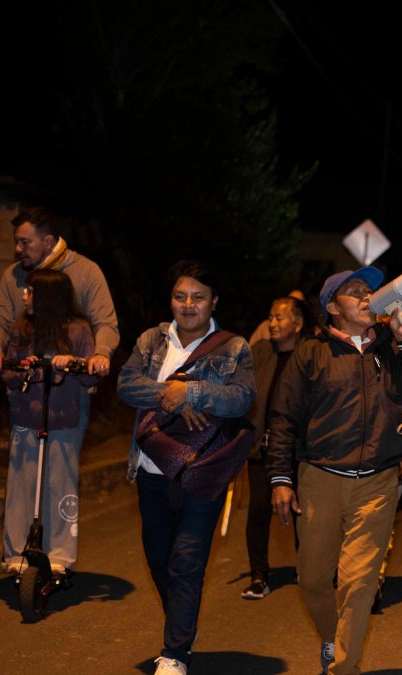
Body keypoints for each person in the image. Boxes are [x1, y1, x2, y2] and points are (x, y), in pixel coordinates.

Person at [267, 266, 402, 675]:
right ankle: (331, 638)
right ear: (332, 307)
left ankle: (344, 667)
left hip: (377, 483)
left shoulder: (390, 349)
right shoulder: (311, 352)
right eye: (355, 290)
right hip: (320, 479)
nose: (366, 296)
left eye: (370, 290)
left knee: (359, 583)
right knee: (312, 580)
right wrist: (280, 477)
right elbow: (284, 417)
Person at [117, 261, 256, 675]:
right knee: (159, 560)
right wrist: (173, 395)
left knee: (187, 561)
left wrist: (193, 393)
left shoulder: (234, 347)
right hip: (151, 468)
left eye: (198, 297)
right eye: (180, 296)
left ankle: (175, 652)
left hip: (203, 472)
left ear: (214, 302)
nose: (188, 304)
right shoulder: (151, 340)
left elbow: (242, 397)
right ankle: (183, 624)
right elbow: (126, 384)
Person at [1, 269, 97, 578]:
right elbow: (10, 375)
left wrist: (73, 362)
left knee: (60, 485)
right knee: (20, 487)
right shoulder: (22, 329)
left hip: (63, 420)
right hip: (26, 418)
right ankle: (15, 552)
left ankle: (60, 555)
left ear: (47, 297)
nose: (24, 296)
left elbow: (90, 375)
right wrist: (17, 367)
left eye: (30, 291)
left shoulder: (78, 330)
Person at [241, 296, 314, 599]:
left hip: (301, 449)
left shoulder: (311, 353)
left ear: (297, 324)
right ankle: (259, 576)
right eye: (270, 317)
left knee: (303, 512)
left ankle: (307, 570)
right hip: (263, 446)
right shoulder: (259, 352)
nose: (272, 323)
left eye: (279, 318)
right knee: (258, 509)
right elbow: (241, 392)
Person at [0, 207, 117, 378]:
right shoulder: (13, 275)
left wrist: (101, 354)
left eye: (25, 242)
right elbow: (0, 321)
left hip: (71, 386)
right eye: (16, 241)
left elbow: (105, 322)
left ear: (48, 242)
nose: (18, 249)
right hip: (23, 386)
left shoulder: (86, 272)